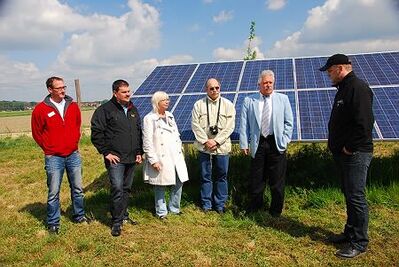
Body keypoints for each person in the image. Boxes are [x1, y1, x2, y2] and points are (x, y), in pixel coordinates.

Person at [320, 54, 374, 259]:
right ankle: (350, 232)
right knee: (350, 194)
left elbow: (364, 124)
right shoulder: (345, 89)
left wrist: (349, 148)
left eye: (330, 71)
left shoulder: (357, 88)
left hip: (356, 154)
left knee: (356, 196)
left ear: (341, 68)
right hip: (347, 154)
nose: (328, 75)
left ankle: (359, 242)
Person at [31, 76, 89, 234]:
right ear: (50, 90)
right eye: (59, 88)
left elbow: (77, 126)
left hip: (73, 154)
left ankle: (79, 216)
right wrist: (49, 148)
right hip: (54, 157)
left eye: (64, 87)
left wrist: (74, 143)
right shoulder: (40, 109)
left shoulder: (73, 106)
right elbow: (37, 133)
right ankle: (53, 222)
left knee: (77, 188)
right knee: (53, 191)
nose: (63, 90)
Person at [91, 79, 143, 237]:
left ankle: (123, 215)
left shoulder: (133, 109)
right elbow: (96, 133)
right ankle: (116, 222)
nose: (128, 94)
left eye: (129, 91)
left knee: (126, 189)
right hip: (115, 159)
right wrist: (106, 152)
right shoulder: (105, 110)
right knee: (117, 189)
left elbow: (138, 132)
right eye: (124, 92)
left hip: (131, 157)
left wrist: (139, 152)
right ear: (115, 93)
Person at [239, 70, 293, 217]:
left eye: (270, 82)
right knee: (256, 178)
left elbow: (289, 122)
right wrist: (244, 143)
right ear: (259, 84)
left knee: (277, 179)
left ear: (273, 83)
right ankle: (255, 207)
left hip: (276, 143)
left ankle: (276, 210)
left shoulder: (283, 99)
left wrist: (285, 140)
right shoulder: (249, 101)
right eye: (265, 83)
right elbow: (244, 125)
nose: (268, 85)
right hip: (258, 143)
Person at [142, 91, 189, 219]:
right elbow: (147, 141)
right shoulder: (149, 118)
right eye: (164, 100)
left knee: (179, 181)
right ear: (157, 102)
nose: (167, 102)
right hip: (161, 157)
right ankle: (161, 212)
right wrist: (153, 160)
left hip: (176, 156)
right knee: (160, 185)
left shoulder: (170, 116)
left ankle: (174, 208)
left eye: (168, 99)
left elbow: (176, 135)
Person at [191, 78, 236, 213]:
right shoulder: (198, 105)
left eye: (217, 87)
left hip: (222, 148)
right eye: (211, 88)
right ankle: (206, 205)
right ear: (206, 89)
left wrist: (216, 141)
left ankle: (220, 205)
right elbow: (195, 125)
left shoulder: (228, 105)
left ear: (220, 88)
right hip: (204, 148)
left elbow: (230, 127)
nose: (215, 90)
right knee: (206, 176)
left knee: (221, 176)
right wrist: (206, 141)